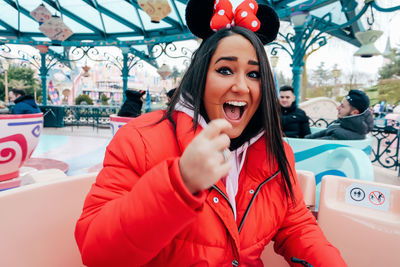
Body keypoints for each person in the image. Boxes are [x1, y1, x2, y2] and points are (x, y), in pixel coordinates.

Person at [75, 1, 346, 266]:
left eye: (254, 74)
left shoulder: (277, 151)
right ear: (201, 76)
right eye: (225, 70)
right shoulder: (139, 139)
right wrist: (178, 184)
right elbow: (97, 253)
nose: (241, 86)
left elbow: (296, 226)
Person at [305, 89, 374, 140]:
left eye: (342, 106)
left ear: (355, 113)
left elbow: (311, 145)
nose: (338, 108)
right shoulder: (347, 126)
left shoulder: (340, 135)